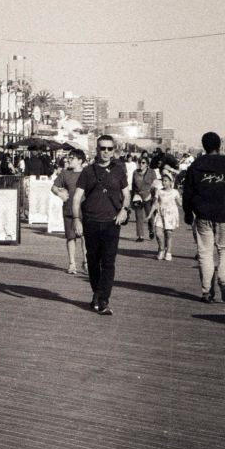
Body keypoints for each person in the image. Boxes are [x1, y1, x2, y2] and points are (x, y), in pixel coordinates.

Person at [181, 132, 225, 303]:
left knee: (205, 252)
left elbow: (187, 192)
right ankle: (224, 281)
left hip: (203, 214)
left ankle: (207, 291)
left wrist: (188, 212)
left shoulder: (196, 165)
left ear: (204, 146)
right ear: (219, 145)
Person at [72, 135, 130, 316]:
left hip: (112, 222)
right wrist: (76, 219)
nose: (106, 152)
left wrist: (124, 210)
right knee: (93, 261)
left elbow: (126, 194)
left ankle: (103, 299)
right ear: (97, 150)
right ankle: (97, 293)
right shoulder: (88, 171)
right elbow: (76, 197)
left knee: (108, 262)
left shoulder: (119, 170)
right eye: (102, 148)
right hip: (91, 222)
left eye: (109, 148)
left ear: (114, 151)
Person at [52, 148, 87, 275]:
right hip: (69, 210)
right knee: (71, 237)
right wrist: (59, 193)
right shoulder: (65, 173)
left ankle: (86, 261)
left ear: (80, 161)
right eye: (69, 157)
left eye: (72, 158)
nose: (68, 160)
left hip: (85, 210)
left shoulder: (87, 173)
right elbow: (53, 187)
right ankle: (72, 263)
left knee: (85, 237)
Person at [149, 171, 181, 260]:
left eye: (166, 181)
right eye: (163, 181)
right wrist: (150, 214)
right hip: (160, 214)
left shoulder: (175, 192)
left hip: (171, 215)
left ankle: (168, 252)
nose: (164, 182)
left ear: (171, 182)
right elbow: (155, 203)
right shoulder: (159, 191)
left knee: (168, 234)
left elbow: (180, 203)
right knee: (158, 233)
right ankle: (161, 249)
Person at [131, 156, 157, 242]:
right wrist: (133, 197)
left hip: (148, 197)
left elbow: (155, 185)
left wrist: (152, 196)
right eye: (139, 163)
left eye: (143, 163)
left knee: (150, 216)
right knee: (138, 216)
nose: (141, 164)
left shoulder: (152, 172)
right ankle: (140, 236)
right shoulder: (135, 172)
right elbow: (133, 186)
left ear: (147, 164)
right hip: (138, 197)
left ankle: (151, 230)